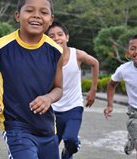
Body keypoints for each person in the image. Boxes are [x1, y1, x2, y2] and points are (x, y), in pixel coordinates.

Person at [0, 0, 63, 159]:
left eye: (43, 13)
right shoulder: (1, 47)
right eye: (30, 10)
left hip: (46, 128)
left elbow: (58, 88)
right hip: (15, 126)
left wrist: (48, 98)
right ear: (18, 16)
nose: (37, 16)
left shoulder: (55, 51)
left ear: (51, 20)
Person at [46, 21, 99, 159]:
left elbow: (95, 63)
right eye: (51, 36)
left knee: (70, 140)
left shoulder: (77, 55)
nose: (56, 38)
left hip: (73, 107)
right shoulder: (45, 58)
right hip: (52, 109)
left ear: (67, 37)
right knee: (50, 147)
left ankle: (68, 152)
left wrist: (93, 90)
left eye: (59, 34)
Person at [104, 34, 137, 159]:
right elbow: (111, 84)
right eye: (133, 48)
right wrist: (110, 105)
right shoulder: (124, 70)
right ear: (128, 52)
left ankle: (133, 139)